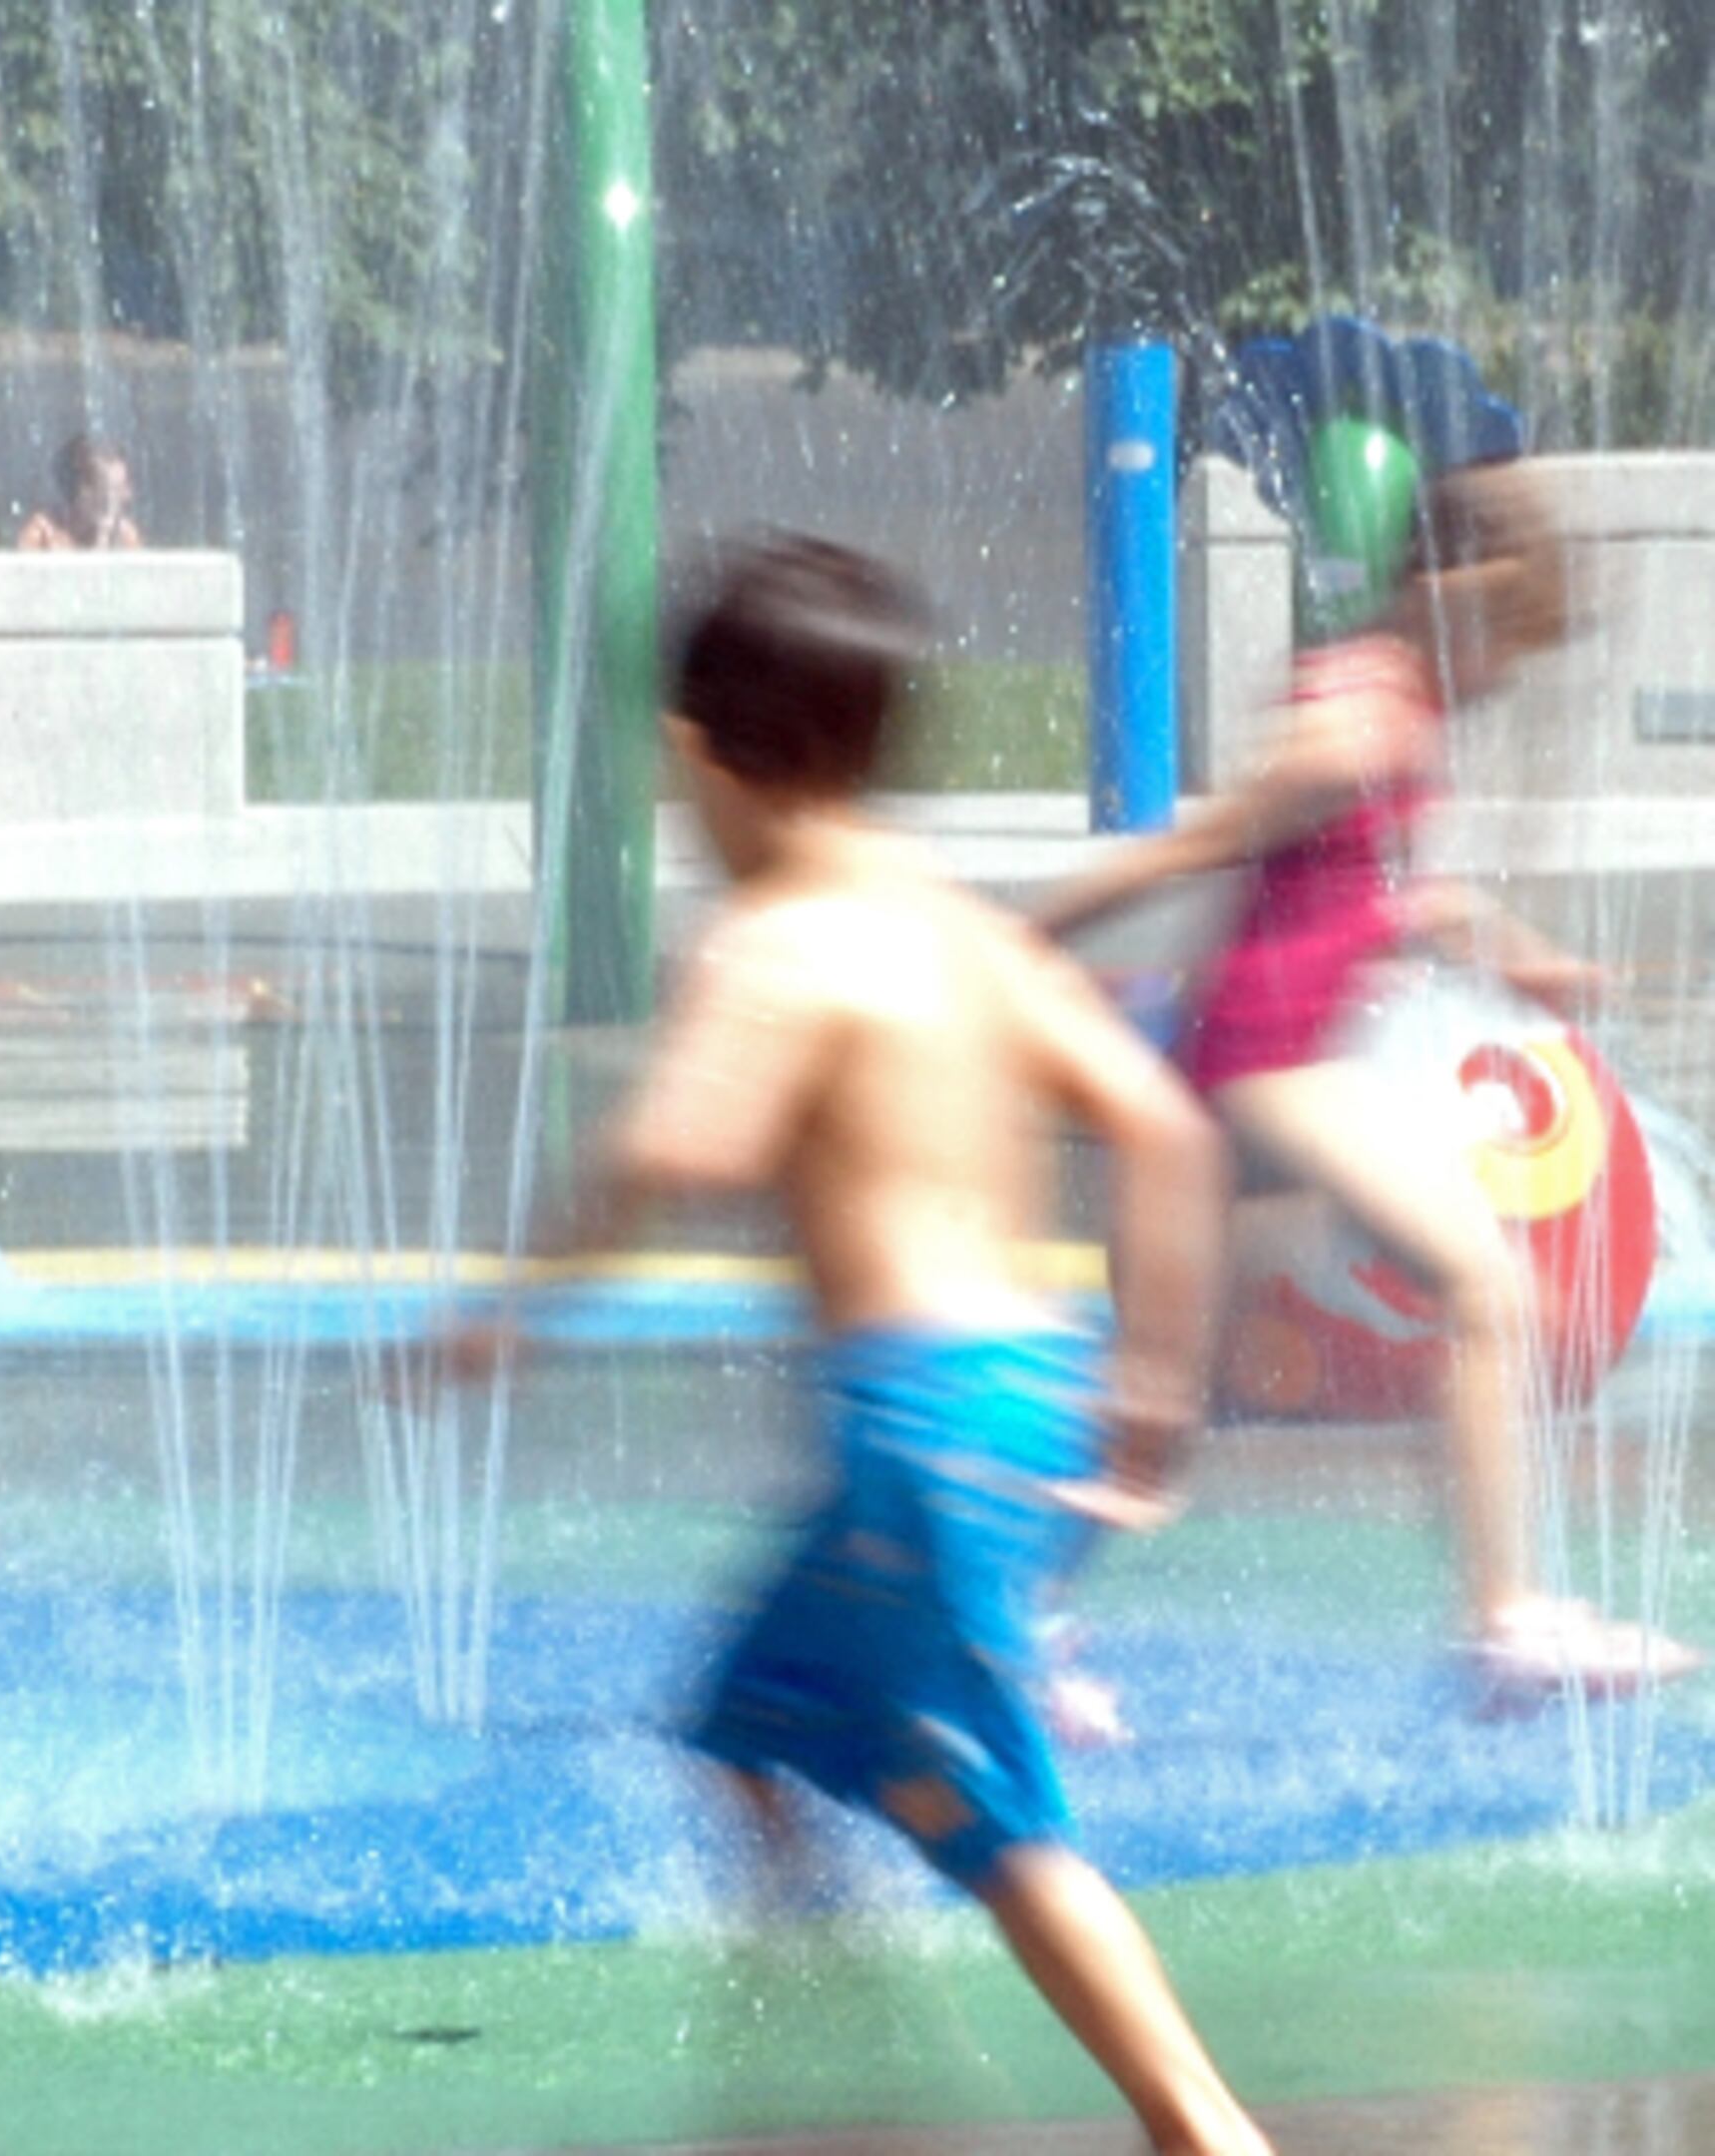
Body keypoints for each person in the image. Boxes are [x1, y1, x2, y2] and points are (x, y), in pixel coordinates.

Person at [430, 536, 1260, 2152]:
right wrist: (1151, 1394)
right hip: (1026, 1384)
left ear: (700, 756)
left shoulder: (775, 941)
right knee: (744, 1722)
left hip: (918, 1427)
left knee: (1007, 1823)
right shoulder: (968, 936)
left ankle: (1206, 2128)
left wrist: (516, 1307)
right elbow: (1166, 1134)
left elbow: (682, 1150)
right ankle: (840, 2071)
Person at [1031, 458, 1695, 1697]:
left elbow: (1394, 893)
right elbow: (1198, 846)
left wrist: (1520, 961)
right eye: (1508, 640)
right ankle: (1506, 1625)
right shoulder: (1356, 722)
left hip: (1246, 1087)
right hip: (1258, 1070)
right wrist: (1017, 938)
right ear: (1457, 591)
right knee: (1484, 1283)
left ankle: (1009, 1620)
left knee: (1159, 1423)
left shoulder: (1396, 707)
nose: (1503, 677)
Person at [13, 430, 143, 553]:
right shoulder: (42, 535)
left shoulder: (125, 537)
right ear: (79, 490)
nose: (127, 497)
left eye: (122, 489)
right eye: (107, 492)